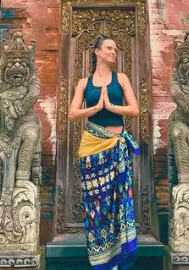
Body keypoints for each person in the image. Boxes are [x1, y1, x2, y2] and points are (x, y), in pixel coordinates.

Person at [67, 35, 142, 270]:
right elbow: (72, 114)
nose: (113, 52)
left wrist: (111, 107)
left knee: (118, 202)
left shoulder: (121, 79)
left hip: (116, 146)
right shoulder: (83, 83)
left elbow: (135, 110)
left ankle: (117, 258)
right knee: (96, 206)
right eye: (109, 48)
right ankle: (102, 259)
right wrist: (95, 108)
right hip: (91, 149)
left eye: (115, 49)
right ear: (97, 51)